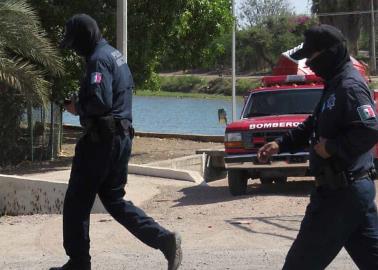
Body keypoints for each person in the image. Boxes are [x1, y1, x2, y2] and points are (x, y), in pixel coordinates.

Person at [50, 14, 182, 270]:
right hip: (120, 139)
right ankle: (165, 240)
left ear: (84, 37)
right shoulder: (114, 56)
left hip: (101, 142)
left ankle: (78, 262)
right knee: (114, 200)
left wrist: (78, 107)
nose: (75, 51)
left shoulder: (98, 60)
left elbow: (101, 103)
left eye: (75, 43)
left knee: (77, 200)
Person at [257, 24, 378, 269]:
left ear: (330, 52)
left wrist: (333, 148)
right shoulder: (334, 83)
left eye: (312, 57)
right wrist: (280, 144)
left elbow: (369, 129)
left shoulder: (349, 87)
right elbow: (314, 123)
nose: (309, 64)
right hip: (350, 192)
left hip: (341, 194)